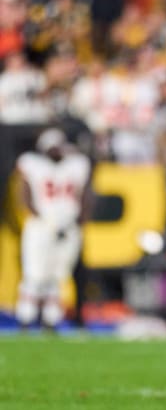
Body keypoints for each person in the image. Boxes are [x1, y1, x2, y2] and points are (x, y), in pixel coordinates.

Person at [14, 128, 91, 330]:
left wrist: (78, 222)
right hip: (42, 226)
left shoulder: (75, 165)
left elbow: (85, 195)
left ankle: (50, 319)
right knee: (35, 275)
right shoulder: (33, 164)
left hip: (67, 227)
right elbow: (24, 195)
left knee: (57, 277)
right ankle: (26, 318)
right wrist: (42, 218)